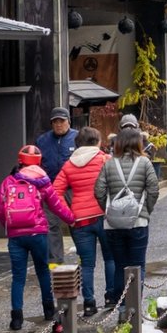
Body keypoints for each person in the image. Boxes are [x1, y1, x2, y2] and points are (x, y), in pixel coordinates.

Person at [0, 144, 75, 330]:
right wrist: (72, 219)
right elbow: (57, 206)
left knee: (18, 277)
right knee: (42, 271)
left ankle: (16, 318)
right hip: (38, 233)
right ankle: (49, 311)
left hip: (15, 236)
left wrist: (9, 227)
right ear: (39, 162)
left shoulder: (8, 182)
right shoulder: (42, 182)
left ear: (20, 161)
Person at [94, 126, 158, 323]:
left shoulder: (109, 165)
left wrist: (109, 210)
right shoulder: (145, 163)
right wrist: (145, 210)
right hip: (138, 222)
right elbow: (154, 189)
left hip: (113, 225)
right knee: (138, 265)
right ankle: (134, 310)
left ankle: (122, 308)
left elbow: (99, 191)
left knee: (120, 265)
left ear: (118, 144)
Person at [53, 126, 112, 317]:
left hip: (79, 221)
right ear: (97, 142)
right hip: (104, 217)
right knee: (110, 258)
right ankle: (111, 297)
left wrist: (68, 216)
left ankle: (89, 303)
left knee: (87, 264)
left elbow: (55, 192)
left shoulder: (68, 165)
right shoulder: (104, 159)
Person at [35, 107, 77, 266]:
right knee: (51, 223)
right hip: (50, 188)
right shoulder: (42, 140)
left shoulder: (77, 138)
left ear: (68, 121)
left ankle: (83, 254)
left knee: (76, 221)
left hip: (72, 188)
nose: (59, 124)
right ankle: (55, 261)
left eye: (62, 121)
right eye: (55, 122)